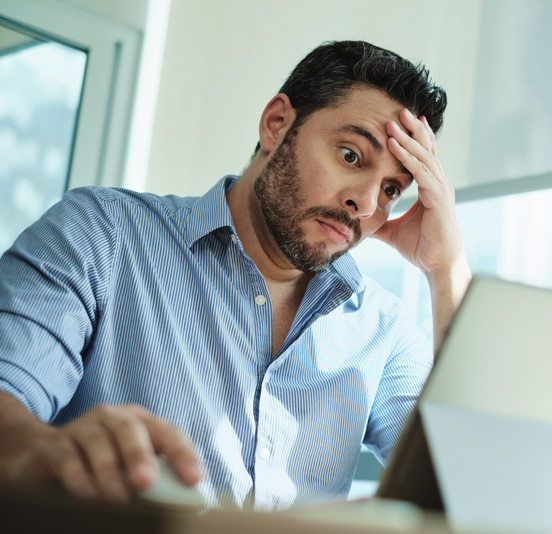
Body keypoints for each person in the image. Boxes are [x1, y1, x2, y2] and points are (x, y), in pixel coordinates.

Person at [0, 40, 471, 510]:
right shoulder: (100, 234)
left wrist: (445, 269)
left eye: (392, 189)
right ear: (276, 124)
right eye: (351, 156)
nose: (367, 205)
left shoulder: (383, 330)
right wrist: (43, 451)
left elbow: (466, 483)